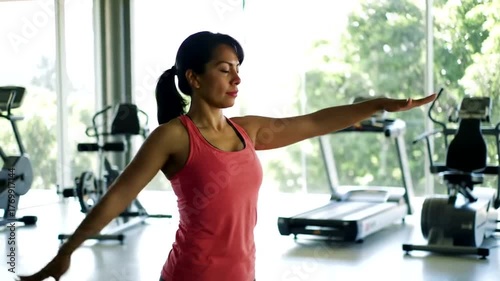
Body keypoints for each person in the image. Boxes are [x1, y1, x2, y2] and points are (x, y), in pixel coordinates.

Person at [18, 31, 436, 281]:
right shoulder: (173, 138)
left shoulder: (247, 129)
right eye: (224, 68)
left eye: (238, 68)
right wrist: (66, 252)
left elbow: (313, 122)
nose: (236, 77)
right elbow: (116, 196)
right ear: (194, 78)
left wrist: (377, 103)